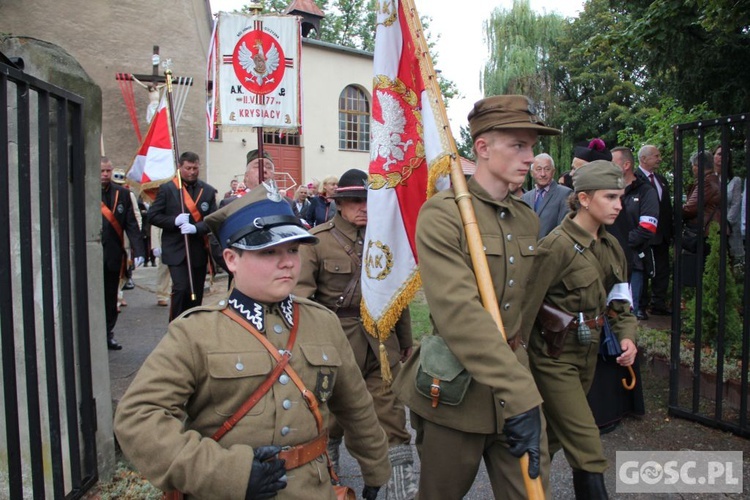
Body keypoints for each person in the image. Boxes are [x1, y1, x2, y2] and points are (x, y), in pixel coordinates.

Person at [114, 182, 391, 499]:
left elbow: (356, 407)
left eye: (292, 250)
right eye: (269, 251)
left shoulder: (323, 322)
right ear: (231, 259)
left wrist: (375, 470)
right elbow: (137, 418)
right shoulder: (196, 332)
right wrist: (226, 473)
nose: (286, 262)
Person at [393, 95, 559, 499]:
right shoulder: (443, 214)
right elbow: (459, 314)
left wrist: (528, 388)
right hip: (454, 391)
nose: (529, 157)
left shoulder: (526, 217)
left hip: (516, 385)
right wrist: (521, 394)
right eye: (518, 145)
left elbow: (527, 302)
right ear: (482, 148)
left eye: (532, 146)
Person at [295, 169, 416, 500]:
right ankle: (325, 484)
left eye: (367, 201)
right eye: (354, 201)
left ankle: (398, 491)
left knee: (391, 420)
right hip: (334, 346)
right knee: (329, 422)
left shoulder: (384, 239)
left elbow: (397, 295)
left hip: (380, 345)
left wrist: (405, 342)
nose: (362, 208)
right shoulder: (317, 242)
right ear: (339, 204)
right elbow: (301, 301)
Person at [523, 160, 638, 499]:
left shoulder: (611, 246)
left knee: (554, 438)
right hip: (553, 357)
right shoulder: (555, 247)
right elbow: (526, 309)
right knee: (587, 442)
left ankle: (521, 488)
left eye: (621, 197)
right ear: (584, 199)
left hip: (587, 356)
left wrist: (627, 335)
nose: (618, 205)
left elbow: (620, 300)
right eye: (611, 197)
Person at [148, 151, 217, 320]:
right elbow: (153, 216)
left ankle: (191, 328)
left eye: (195, 168)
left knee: (196, 293)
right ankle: (176, 326)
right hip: (176, 249)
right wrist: (174, 221)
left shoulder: (207, 191)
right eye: (188, 168)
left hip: (197, 249)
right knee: (181, 288)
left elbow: (213, 220)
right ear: (180, 167)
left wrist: (197, 228)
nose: (192, 172)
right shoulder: (168, 189)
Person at [607, 146, 659, 320]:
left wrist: (619, 243)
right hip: (608, 261)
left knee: (628, 315)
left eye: (612, 163)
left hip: (634, 262)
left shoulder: (645, 191)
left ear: (626, 165)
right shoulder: (609, 190)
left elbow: (647, 229)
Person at [100, 157, 145, 350]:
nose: (105, 175)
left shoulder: (123, 194)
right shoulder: (84, 192)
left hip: (113, 254)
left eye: (108, 171)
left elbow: (131, 224)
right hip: (90, 256)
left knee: (110, 297)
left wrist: (139, 250)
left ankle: (108, 334)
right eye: (102, 171)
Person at [635, 145, 673, 316]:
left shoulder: (661, 179)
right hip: (644, 233)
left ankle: (659, 303)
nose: (660, 159)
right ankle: (641, 306)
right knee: (643, 269)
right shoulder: (635, 179)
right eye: (656, 156)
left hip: (662, 233)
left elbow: (666, 207)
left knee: (663, 269)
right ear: (644, 159)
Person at [522, 153, 572, 238]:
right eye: (538, 169)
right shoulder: (525, 197)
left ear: (553, 172)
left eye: (547, 169)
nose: (543, 174)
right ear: (531, 173)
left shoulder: (565, 194)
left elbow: (564, 229)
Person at [713, 145, 744, 263]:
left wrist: (725, 225)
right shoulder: (707, 179)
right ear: (713, 156)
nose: (722, 157)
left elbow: (736, 205)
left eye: (726, 155)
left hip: (728, 227)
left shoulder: (734, 180)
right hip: (710, 227)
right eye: (719, 154)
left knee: (727, 262)